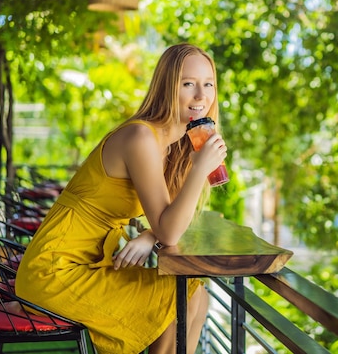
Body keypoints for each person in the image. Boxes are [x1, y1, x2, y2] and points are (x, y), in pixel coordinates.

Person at [15, 43, 228, 354]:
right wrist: (199, 172)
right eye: (188, 84)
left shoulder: (171, 146)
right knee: (181, 296)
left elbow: (170, 223)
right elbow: (171, 230)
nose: (201, 96)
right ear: (167, 87)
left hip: (89, 264)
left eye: (208, 84)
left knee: (197, 296)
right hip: (55, 272)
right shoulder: (141, 138)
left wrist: (148, 235)